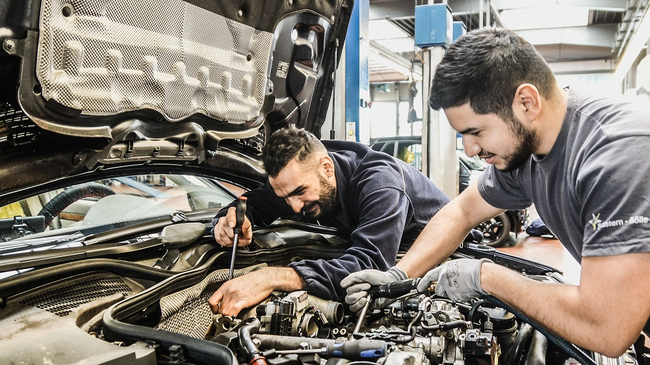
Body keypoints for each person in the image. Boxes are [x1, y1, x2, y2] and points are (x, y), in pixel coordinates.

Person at [341, 27, 650, 358]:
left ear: (526, 102)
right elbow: (462, 212)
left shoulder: (617, 153)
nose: (470, 149)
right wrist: (399, 277)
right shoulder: (525, 154)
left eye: (475, 131)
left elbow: (607, 328)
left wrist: (486, 276)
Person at [208, 126, 460, 317]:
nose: (295, 207)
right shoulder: (300, 181)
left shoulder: (380, 181)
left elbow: (369, 266)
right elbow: (251, 203)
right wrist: (227, 222)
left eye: (299, 192)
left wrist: (270, 277)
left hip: (442, 256)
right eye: (285, 197)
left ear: (327, 168)